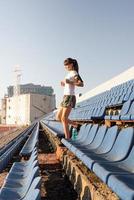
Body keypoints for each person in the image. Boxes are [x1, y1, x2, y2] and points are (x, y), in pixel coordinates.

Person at [56, 58, 84, 139]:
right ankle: (75, 125)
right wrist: (64, 84)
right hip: (65, 96)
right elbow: (69, 84)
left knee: (64, 118)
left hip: (70, 96)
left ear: (71, 64)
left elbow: (81, 84)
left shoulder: (74, 72)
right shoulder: (69, 74)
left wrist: (69, 82)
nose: (66, 67)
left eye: (67, 65)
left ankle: (67, 139)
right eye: (65, 66)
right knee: (58, 117)